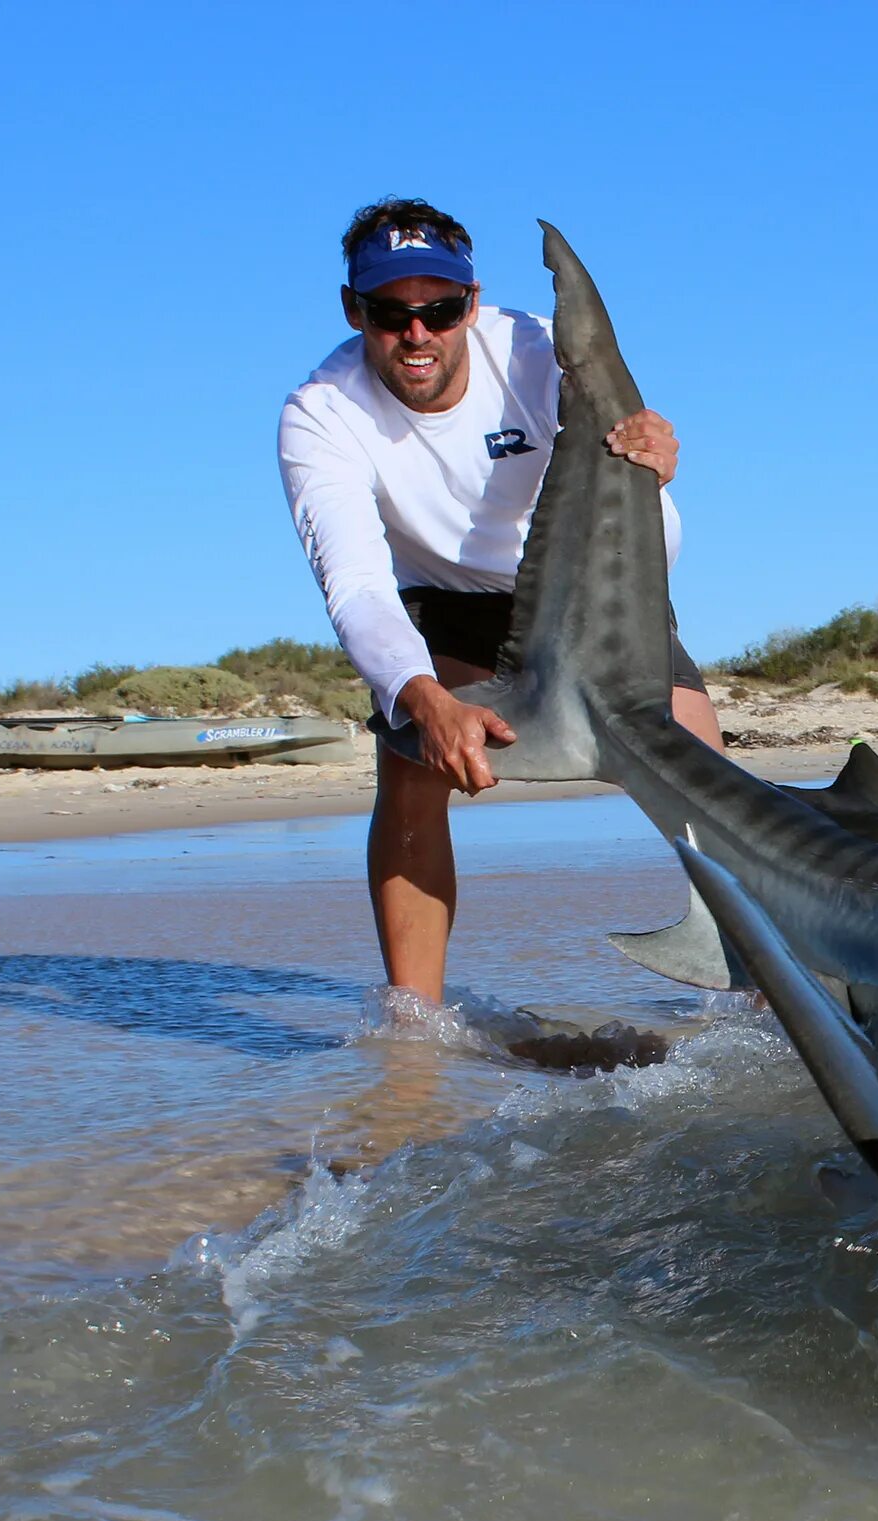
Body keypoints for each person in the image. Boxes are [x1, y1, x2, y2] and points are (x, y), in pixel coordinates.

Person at [277, 198, 723, 1002]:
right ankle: (416, 1029)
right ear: (354, 309)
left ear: (471, 303)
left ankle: (770, 994)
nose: (418, 335)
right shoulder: (321, 414)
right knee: (410, 765)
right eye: (390, 313)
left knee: (709, 780)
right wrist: (421, 698)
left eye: (440, 310)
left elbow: (649, 521)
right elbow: (355, 584)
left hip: (593, 595)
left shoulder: (531, 351)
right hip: (451, 607)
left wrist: (652, 464)